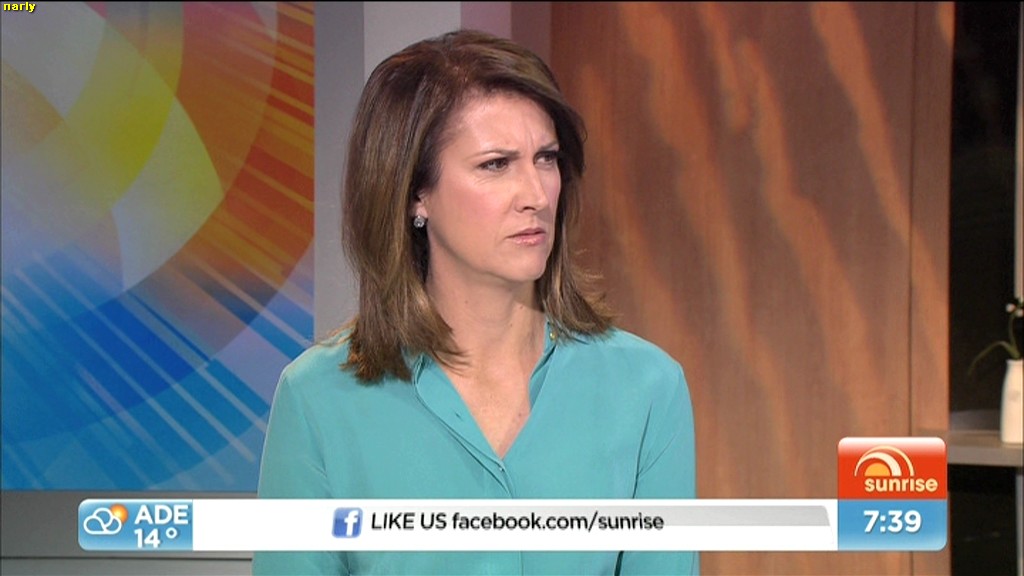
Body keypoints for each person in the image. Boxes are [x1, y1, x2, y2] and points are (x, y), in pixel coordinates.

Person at [252, 29, 698, 575]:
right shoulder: (318, 399)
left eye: (546, 159)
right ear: (415, 194)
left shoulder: (646, 388)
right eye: (495, 164)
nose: (536, 195)